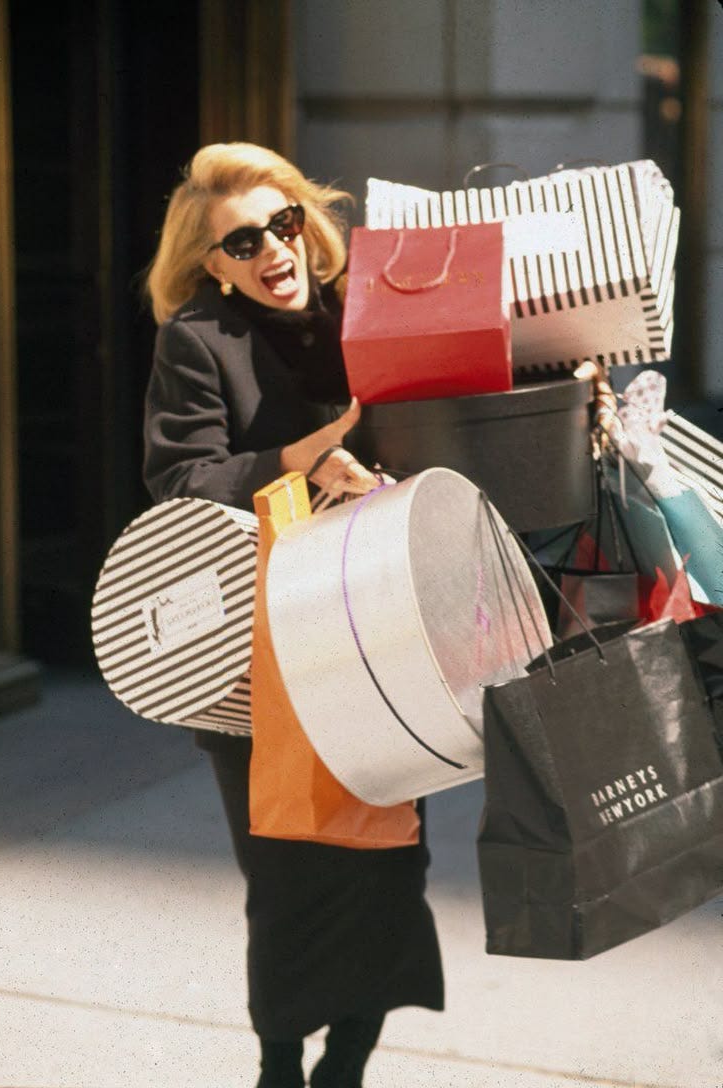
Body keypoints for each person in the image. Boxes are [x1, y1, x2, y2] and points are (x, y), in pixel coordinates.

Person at [142, 142, 444, 1088]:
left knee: (390, 872)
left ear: (305, 223)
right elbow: (178, 482)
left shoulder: (375, 311)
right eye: (242, 242)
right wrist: (303, 460)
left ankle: (345, 1065)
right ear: (211, 264)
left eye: (282, 224)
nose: (273, 250)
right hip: (260, 656)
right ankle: (279, 1067)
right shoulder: (196, 340)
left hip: (383, 637)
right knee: (288, 880)